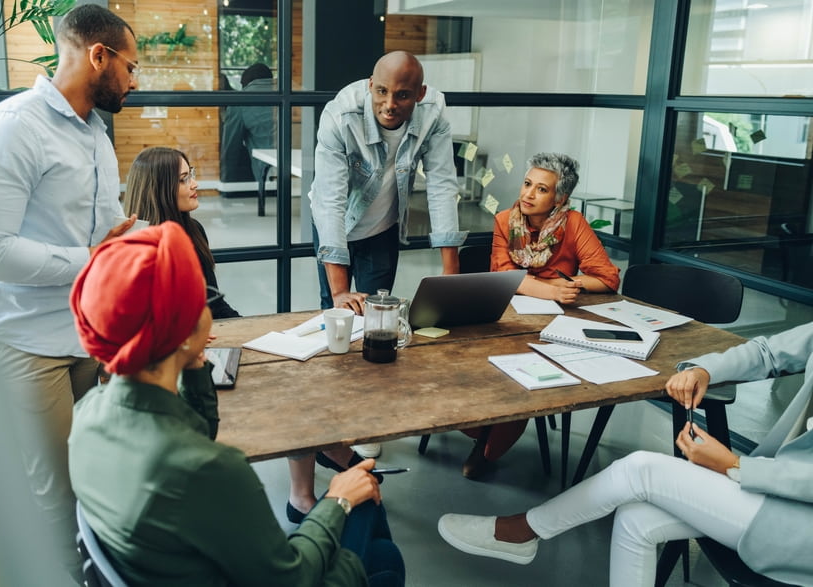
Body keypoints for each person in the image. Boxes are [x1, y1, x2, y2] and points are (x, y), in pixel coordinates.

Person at [68, 222, 406, 586]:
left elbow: (194, 433)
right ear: (180, 327)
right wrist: (336, 500)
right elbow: (292, 579)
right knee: (370, 519)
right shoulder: (212, 470)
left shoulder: (87, 417)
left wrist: (193, 362)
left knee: (380, 553)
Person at [0, 5, 139, 578]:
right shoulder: (10, 128)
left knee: (98, 476)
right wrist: (87, 258)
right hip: (27, 342)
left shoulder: (98, 137)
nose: (135, 81)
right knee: (56, 498)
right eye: (131, 67)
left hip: (91, 334)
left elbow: (105, 235)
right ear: (98, 56)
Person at [438, 322, 813, 586]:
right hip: (781, 493)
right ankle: (522, 534)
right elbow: (767, 351)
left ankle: (523, 531)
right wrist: (704, 370)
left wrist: (736, 465)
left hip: (800, 530)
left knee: (641, 469)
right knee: (636, 520)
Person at [306, 50, 467, 463]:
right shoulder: (340, 115)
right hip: (336, 225)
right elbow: (329, 202)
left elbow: (442, 185)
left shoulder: (433, 113)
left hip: (381, 229)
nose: (389, 105)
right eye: (381, 91)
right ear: (368, 84)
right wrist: (340, 292)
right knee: (340, 326)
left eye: (402, 95)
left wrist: (452, 276)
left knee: (379, 327)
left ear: (420, 94)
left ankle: (368, 420)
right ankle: (336, 428)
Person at [459, 152, 621, 480]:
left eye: (541, 189)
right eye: (527, 184)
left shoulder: (573, 223)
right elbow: (502, 272)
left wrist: (571, 284)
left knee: (526, 370)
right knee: (478, 365)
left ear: (560, 197)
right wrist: (549, 289)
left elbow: (607, 277)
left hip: (549, 325)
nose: (528, 194)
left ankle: (490, 445)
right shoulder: (505, 220)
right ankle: (482, 431)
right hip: (501, 316)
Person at [124, 146, 241, 319]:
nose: (195, 184)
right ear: (158, 189)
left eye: (191, 175)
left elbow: (212, 301)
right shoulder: (135, 246)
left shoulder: (194, 230)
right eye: (183, 179)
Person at [220, 63, 276, 189]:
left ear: (246, 83)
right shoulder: (290, 92)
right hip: (303, 171)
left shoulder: (241, 101)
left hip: (267, 176)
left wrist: (226, 187)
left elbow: (230, 149)